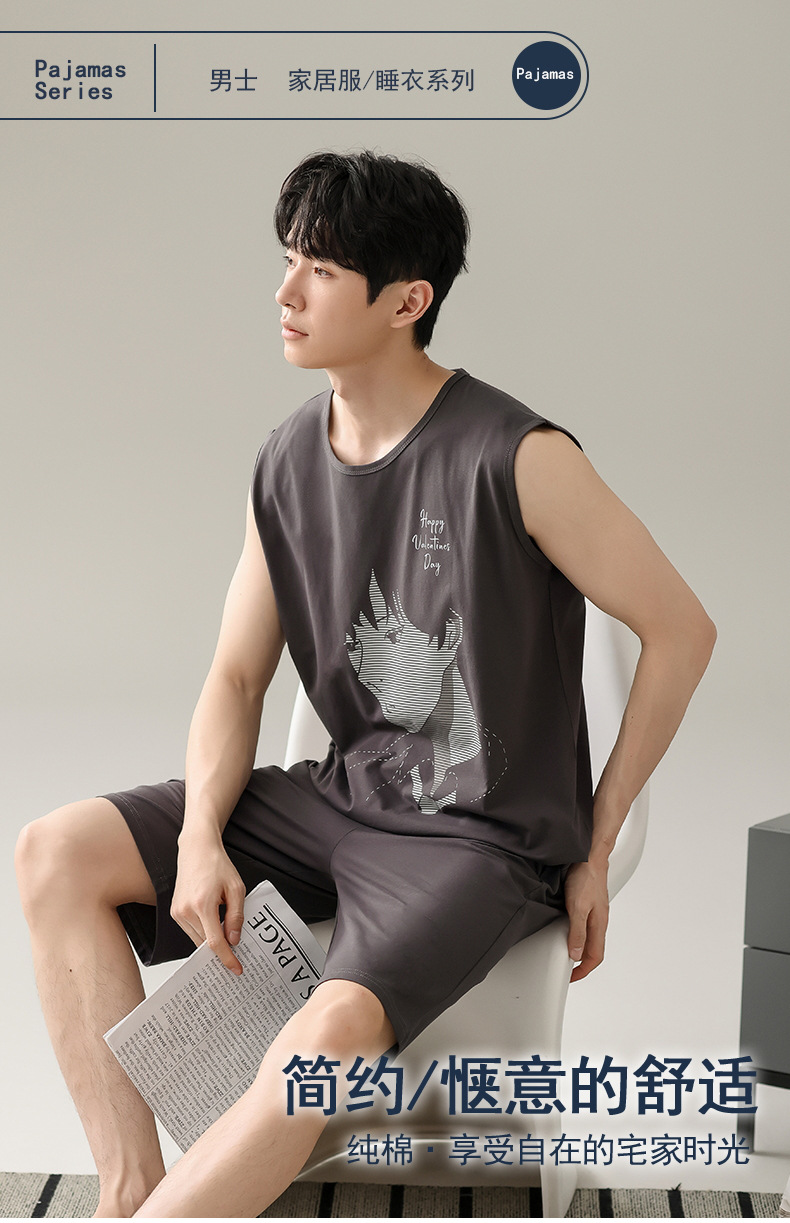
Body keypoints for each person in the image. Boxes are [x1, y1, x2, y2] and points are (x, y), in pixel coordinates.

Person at [15, 149, 716, 1218]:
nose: (286, 293)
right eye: (287, 261)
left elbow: (681, 631)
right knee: (54, 851)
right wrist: (199, 833)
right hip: (339, 799)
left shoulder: (517, 454)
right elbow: (236, 675)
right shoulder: (286, 459)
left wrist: (596, 839)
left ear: (406, 301)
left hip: (479, 837)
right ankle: (131, 1191)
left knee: (333, 1032)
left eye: (323, 270)